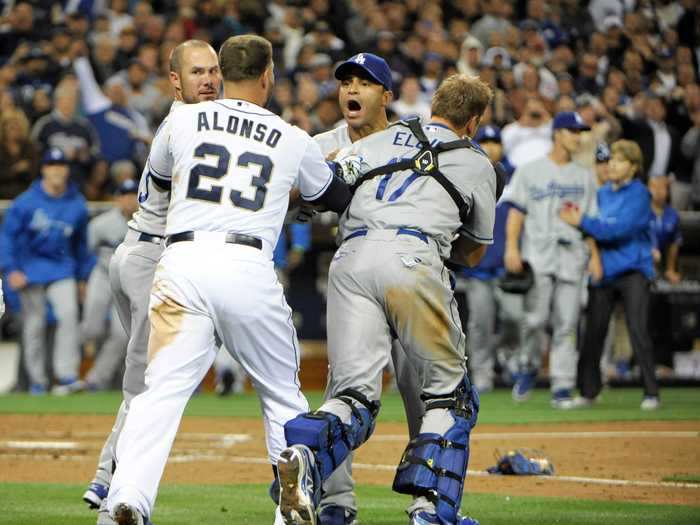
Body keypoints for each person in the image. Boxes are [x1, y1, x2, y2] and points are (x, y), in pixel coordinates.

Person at [104, 35, 351, 525]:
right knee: (281, 392)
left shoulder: (180, 120)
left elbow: (156, 181)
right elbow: (334, 196)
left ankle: (127, 496)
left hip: (182, 262)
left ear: (222, 73)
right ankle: (290, 513)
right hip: (246, 263)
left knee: (161, 391)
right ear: (267, 76)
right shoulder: (291, 135)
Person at [278, 74, 497, 525]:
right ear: (473, 122)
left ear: (433, 103)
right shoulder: (478, 161)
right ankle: (431, 512)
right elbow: (474, 251)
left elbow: (325, 187)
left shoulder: (379, 140)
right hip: (415, 258)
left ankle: (304, 455)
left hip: (351, 259)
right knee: (448, 398)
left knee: (353, 395)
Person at [82, 39, 223, 518]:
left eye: (213, 70)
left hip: (137, 253)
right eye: (197, 72)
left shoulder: (188, 119)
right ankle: (109, 482)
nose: (208, 79)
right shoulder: (188, 122)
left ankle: (107, 478)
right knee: (146, 386)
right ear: (176, 80)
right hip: (150, 258)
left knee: (145, 381)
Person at [312, 52, 425, 525]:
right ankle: (337, 502)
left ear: (387, 95)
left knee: (424, 390)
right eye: (346, 82)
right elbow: (295, 202)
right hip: (357, 275)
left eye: (364, 82)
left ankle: (430, 500)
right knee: (347, 386)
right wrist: (322, 179)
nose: (351, 90)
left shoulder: (415, 141)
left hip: (415, 275)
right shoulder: (322, 145)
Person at [504, 112, 600, 409]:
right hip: (539, 253)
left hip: (571, 255)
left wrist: (594, 256)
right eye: (573, 130)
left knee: (567, 324)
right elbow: (516, 213)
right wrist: (511, 248)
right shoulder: (530, 170)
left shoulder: (585, 176)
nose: (577, 136)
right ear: (558, 134)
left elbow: (589, 222)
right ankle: (529, 365)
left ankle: (562, 385)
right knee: (534, 321)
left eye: (580, 131)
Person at [560, 139, 660, 410]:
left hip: (633, 271)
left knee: (638, 331)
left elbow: (618, 230)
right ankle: (588, 392)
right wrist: (589, 226)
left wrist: (583, 221)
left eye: (620, 160)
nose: (613, 165)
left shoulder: (640, 193)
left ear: (634, 167)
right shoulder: (602, 193)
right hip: (603, 271)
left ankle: (651, 392)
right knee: (593, 333)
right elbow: (596, 228)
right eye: (612, 160)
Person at [0, 147, 94, 395]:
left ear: (66, 170)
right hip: (29, 272)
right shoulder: (26, 202)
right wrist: (11, 269)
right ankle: (38, 381)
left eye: (61, 166)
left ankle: (66, 376)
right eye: (52, 166)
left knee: (69, 314)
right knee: (35, 325)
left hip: (62, 269)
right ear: (43, 170)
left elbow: (81, 245)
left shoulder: (77, 204)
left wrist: (83, 277)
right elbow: (6, 237)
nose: (57, 170)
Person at [460, 124, 520, 393]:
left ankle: (507, 356)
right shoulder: (467, 172)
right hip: (479, 269)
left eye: (496, 142)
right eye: (486, 141)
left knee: (515, 318)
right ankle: (482, 371)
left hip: (507, 267)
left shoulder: (516, 176)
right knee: (481, 324)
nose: (492, 146)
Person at [80, 179, 139, 391]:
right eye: (125, 195)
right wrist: (83, 280)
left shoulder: (147, 224)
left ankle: (96, 379)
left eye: (133, 195)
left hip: (127, 282)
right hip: (101, 276)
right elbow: (86, 255)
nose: (129, 200)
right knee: (91, 329)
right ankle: (70, 373)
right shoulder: (100, 224)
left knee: (121, 334)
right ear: (117, 198)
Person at [649, 176, 683, 283]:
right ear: (648, 189)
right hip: (643, 259)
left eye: (662, 187)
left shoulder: (672, 214)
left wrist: (670, 269)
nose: (658, 191)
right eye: (654, 187)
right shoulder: (640, 211)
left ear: (668, 191)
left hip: (661, 259)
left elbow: (674, 242)